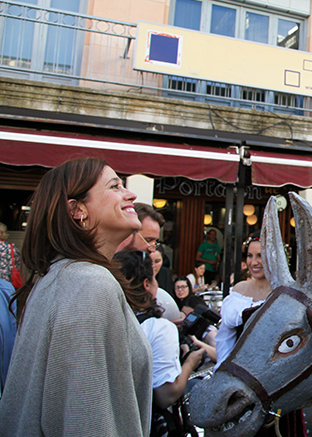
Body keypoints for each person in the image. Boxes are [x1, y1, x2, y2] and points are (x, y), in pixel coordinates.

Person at [0, 157, 152, 436]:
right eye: (115, 186)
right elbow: (86, 415)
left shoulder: (65, 277)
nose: (130, 193)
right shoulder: (90, 284)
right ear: (77, 210)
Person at [215, 234, 305, 436]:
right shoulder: (238, 289)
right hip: (239, 380)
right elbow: (225, 339)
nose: (254, 262)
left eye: (260, 256)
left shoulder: (287, 292)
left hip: (276, 383)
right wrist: (222, 375)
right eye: (250, 255)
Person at [117, 250, 207, 436]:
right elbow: (166, 395)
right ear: (147, 284)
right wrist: (190, 363)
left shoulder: (110, 321)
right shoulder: (159, 328)